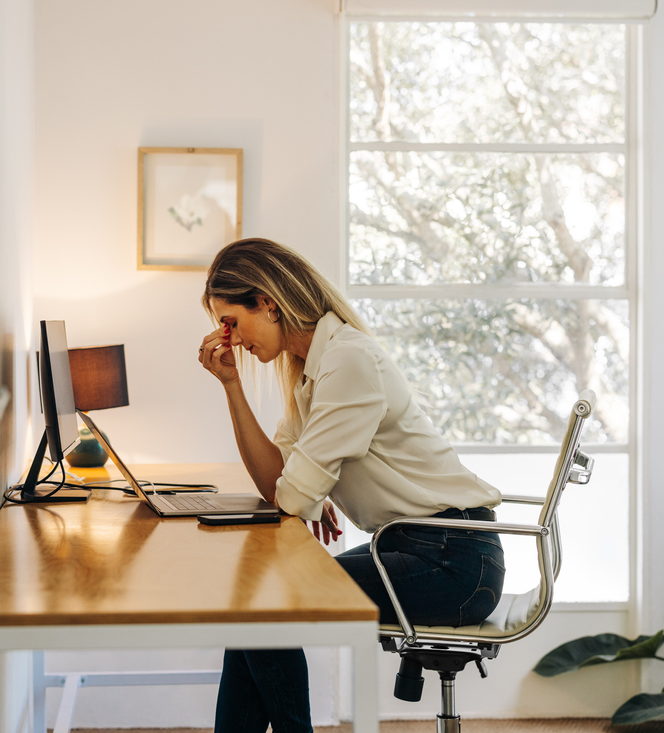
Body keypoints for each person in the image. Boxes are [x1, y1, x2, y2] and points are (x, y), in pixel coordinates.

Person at [196, 238, 505, 733]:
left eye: (230, 322)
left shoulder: (348, 360)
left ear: (269, 303)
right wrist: (231, 386)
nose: (226, 339)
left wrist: (310, 491)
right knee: (254, 605)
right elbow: (280, 482)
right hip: (411, 545)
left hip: (454, 560)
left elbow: (293, 497)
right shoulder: (309, 372)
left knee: (263, 603)